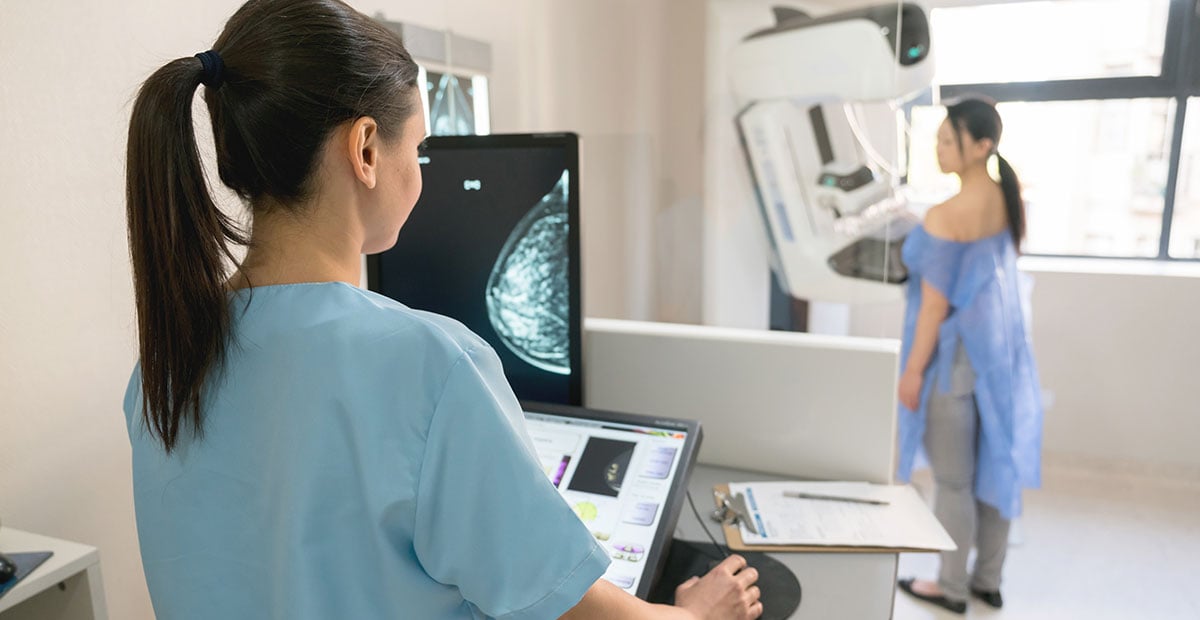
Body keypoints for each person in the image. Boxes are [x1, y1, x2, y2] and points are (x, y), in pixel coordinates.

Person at [122, 1, 762, 618]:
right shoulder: (429, 367)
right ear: (367, 150)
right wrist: (696, 616)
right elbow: (571, 610)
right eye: (419, 149)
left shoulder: (162, 370)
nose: (420, 172)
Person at [893, 98, 1043, 614]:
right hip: (998, 356)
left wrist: (912, 372)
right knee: (995, 464)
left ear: (982, 146)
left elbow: (933, 308)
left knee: (953, 481)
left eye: (948, 140)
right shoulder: (1007, 196)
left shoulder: (946, 214)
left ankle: (951, 588)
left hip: (952, 363)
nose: (938, 148)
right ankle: (987, 580)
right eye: (936, 138)